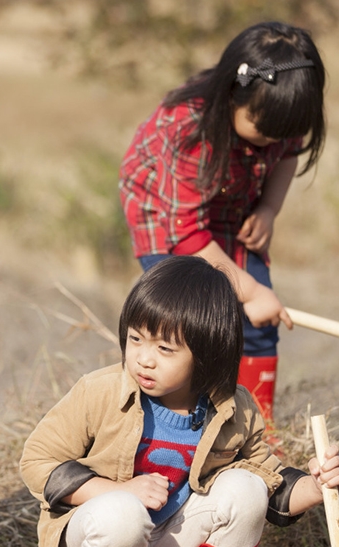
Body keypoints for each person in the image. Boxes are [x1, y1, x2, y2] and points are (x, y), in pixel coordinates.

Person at [20, 257, 339, 547]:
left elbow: (270, 482)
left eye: (164, 348)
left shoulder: (234, 407)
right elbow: (37, 463)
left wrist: (315, 486)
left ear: (207, 353)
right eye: (136, 339)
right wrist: (115, 490)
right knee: (122, 512)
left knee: (245, 487)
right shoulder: (100, 391)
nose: (144, 358)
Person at [119, 22, 326, 422]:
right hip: (168, 221)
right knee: (187, 326)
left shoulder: (284, 108)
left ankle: (255, 429)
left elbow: (287, 155)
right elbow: (187, 232)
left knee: (260, 322)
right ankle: (174, 423)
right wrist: (247, 292)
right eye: (263, 131)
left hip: (233, 210)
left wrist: (268, 209)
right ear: (234, 93)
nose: (271, 141)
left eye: (284, 133)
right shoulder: (188, 129)